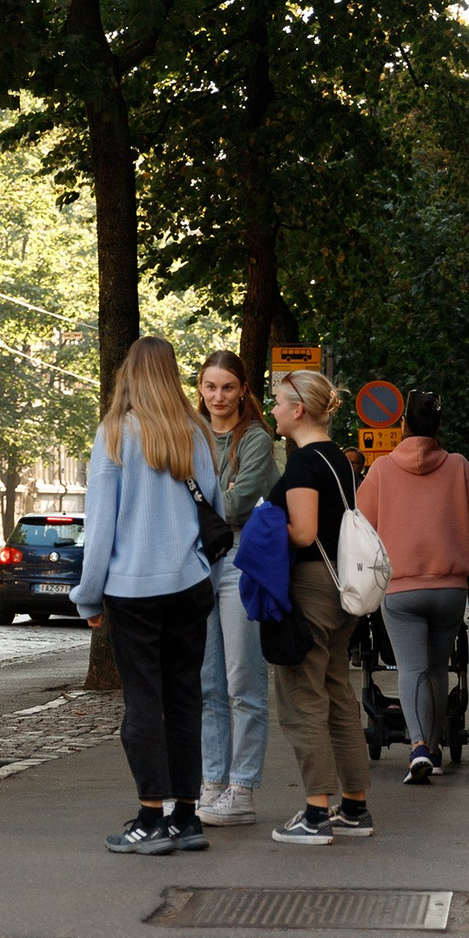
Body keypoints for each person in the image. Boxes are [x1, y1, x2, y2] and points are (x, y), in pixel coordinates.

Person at [72, 336, 221, 857]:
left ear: (128, 375)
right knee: (185, 700)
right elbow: (214, 514)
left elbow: (102, 526)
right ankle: (187, 816)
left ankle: (149, 818)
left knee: (143, 703)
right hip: (189, 584)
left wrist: (88, 598)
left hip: (133, 590)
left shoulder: (114, 435)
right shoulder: (196, 433)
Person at [261, 371, 373, 845]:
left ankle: (314, 813)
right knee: (338, 696)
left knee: (302, 698)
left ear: (298, 410)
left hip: (309, 589)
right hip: (342, 589)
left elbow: (303, 533)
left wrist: (261, 531)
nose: (273, 410)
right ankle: (355, 806)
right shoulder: (338, 460)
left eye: (279, 402)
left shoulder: (305, 463)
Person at [355, 392, 469, 785]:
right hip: (449, 587)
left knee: (411, 668)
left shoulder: (380, 470)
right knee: (436, 667)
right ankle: (433, 749)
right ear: (438, 428)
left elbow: (362, 526)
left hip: (401, 589)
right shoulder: (460, 467)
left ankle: (417, 748)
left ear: (403, 426)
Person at [194, 350, 275, 827]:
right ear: (199, 389)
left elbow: (240, 502)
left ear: (243, 389)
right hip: (196, 560)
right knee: (207, 684)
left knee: (243, 681)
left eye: (227, 387)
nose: (218, 397)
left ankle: (241, 788)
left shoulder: (256, 438)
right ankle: (212, 781)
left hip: (238, 559)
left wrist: (195, 501)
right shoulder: (193, 434)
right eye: (210, 387)